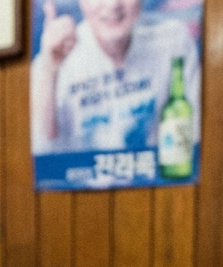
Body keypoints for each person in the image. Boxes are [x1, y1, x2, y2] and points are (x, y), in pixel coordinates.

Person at [31, 0, 200, 155]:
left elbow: (198, 132)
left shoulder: (173, 40)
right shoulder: (53, 57)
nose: (112, 4)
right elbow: (43, 147)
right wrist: (50, 70)